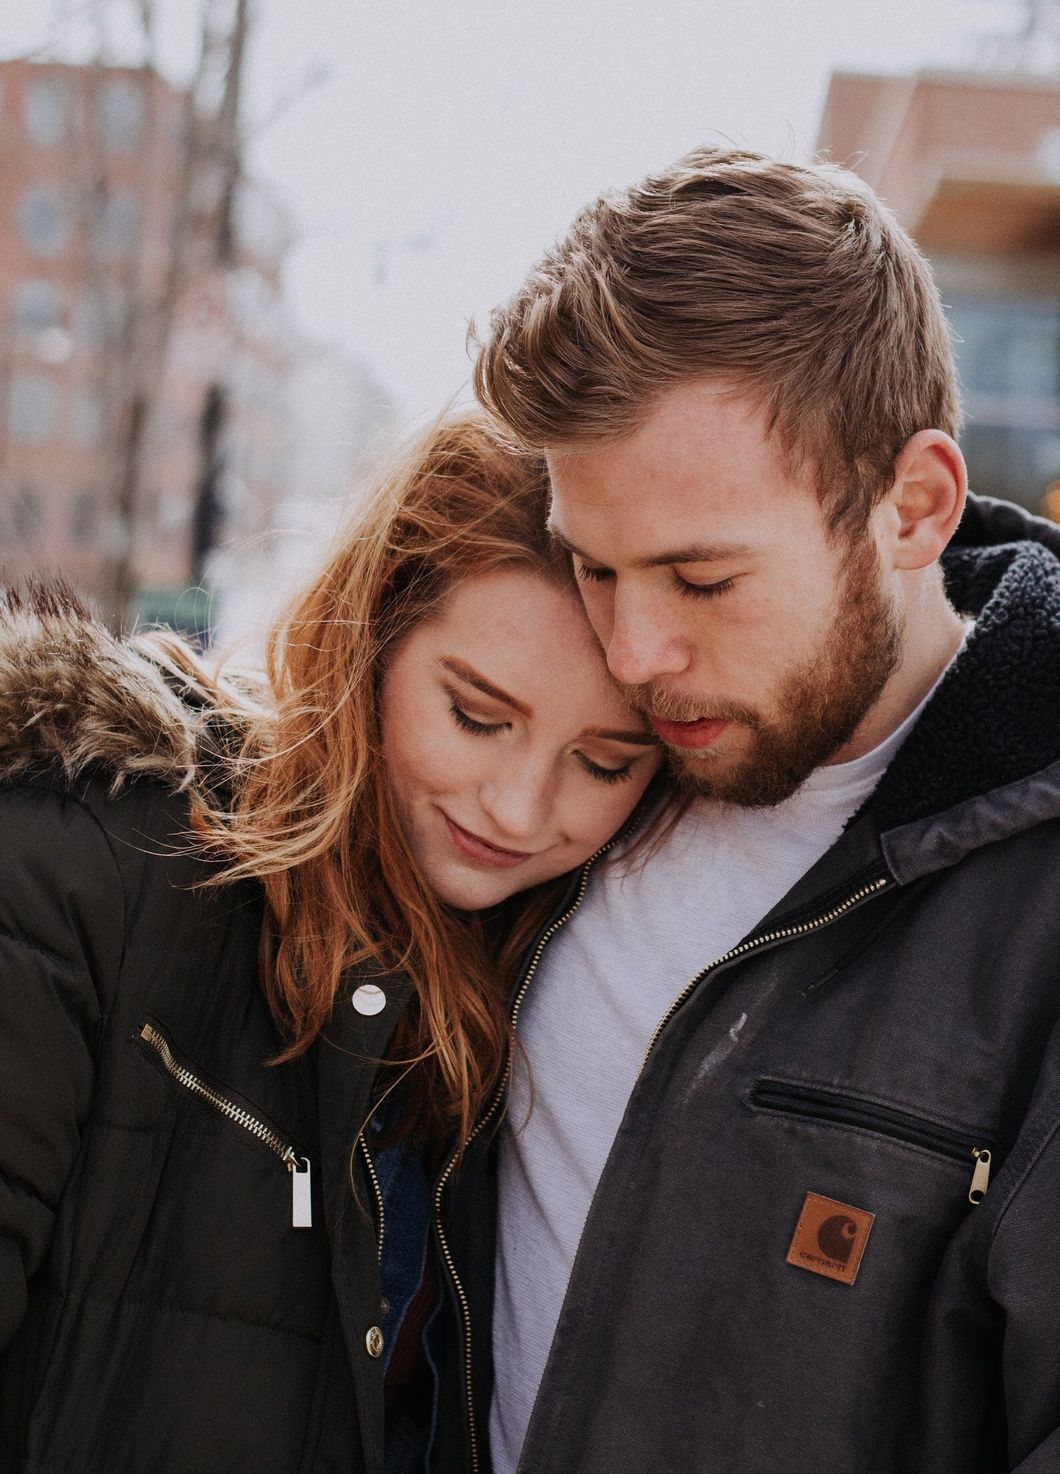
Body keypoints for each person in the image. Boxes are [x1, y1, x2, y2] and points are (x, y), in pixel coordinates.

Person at [429, 148, 1060, 1474]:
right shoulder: (580, 779)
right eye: (594, 566)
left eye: (702, 579)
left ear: (913, 506)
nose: (638, 649)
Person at [0, 414, 661, 1474]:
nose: (521, 806)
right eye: (476, 715)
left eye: (604, 763)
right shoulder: (87, 854)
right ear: (369, 629)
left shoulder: (552, 979)